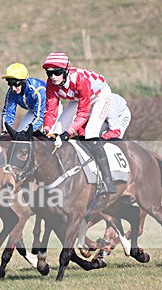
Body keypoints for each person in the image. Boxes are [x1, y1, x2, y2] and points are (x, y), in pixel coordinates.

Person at [40, 51, 118, 194]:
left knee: (90, 132)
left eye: (57, 72)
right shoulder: (51, 83)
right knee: (55, 131)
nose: (53, 77)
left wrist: (68, 133)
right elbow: (51, 110)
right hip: (78, 98)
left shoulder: (80, 79)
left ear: (66, 70)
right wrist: (46, 129)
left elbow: (83, 114)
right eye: (49, 73)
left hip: (100, 96)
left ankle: (108, 181)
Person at [1, 63, 46, 132]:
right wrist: (5, 131)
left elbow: (40, 117)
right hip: (34, 111)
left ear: (24, 81)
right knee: (19, 135)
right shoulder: (11, 92)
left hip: (50, 112)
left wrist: (26, 132)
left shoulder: (38, 90)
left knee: (46, 136)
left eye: (16, 84)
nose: (13, 88)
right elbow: (8, 113)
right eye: (10, 84)